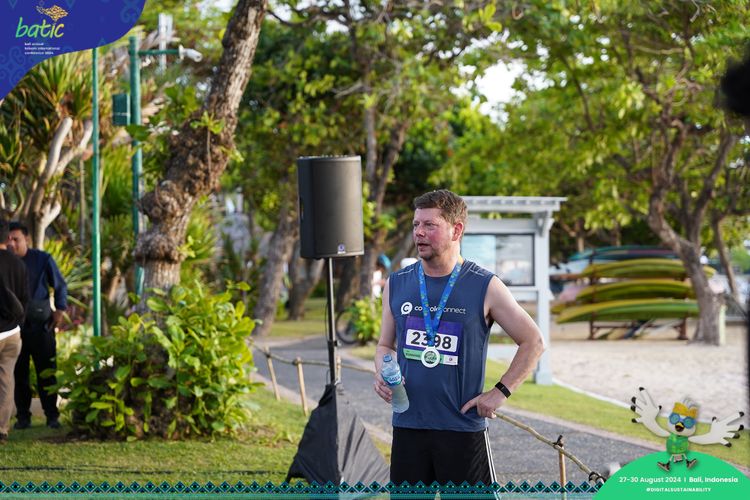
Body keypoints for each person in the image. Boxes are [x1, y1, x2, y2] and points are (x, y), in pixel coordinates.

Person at [373, 190, 545, 485]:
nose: (419, 233)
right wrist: (382, 372)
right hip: (408, 426)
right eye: (416, 225)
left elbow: (534, 342)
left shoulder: (485, 285)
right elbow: (385, 345)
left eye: (430, 225)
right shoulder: (397, 283)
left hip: (462, 430)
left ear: (457, 230)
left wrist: (500, 392)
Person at [7, 222, 67, 430]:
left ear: (27, 239)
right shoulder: (5, 262)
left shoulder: (42, 259)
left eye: (16, 239)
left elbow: (60, 285)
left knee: (47, 372)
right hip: (15, 327)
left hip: (42, 326)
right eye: (8, 239)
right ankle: (23, 417)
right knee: (19, 374)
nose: (12, 244)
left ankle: (52, 416)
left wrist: (60, 310)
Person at [0, 219, 29, 443]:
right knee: (6, 380)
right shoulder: (19, 264)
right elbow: (25, 299)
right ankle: (1, 429)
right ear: (8, 237)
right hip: (12, 333)